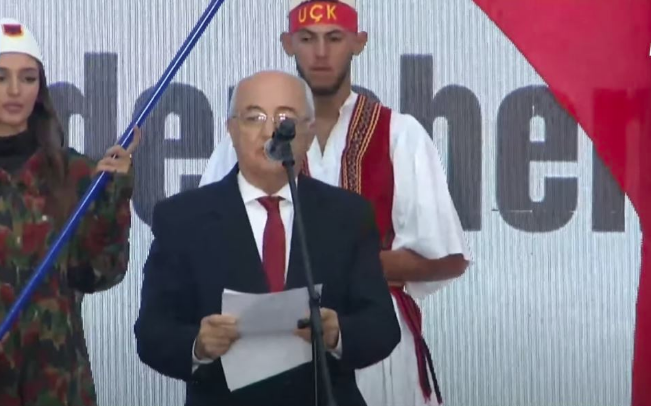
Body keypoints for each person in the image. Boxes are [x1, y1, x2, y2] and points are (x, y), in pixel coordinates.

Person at [199, 1, 472, 406]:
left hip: (374, 344)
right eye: (308, 39)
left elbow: (447, 259)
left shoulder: (400, 133)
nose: (321, 53)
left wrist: (344, 268)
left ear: (359, 43)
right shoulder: (245, 138)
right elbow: (208, 244)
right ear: (288, 44)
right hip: (270, 339)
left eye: (334, 38)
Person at [134, 70, 400, 406]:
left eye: (285, 118)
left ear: (308, 132)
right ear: (231, 130)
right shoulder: (182, 219)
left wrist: (337, 334)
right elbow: (152, 334)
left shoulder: (347, 216)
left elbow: (382, 327)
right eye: (254, 117)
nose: (270, 131)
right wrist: (198, 345)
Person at [0, 18, 138, 406]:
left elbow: (100, 274)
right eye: (1, 77)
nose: (15, 90)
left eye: (28, 78)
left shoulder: (74, 173)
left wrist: (112, 198)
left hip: (55, 381)